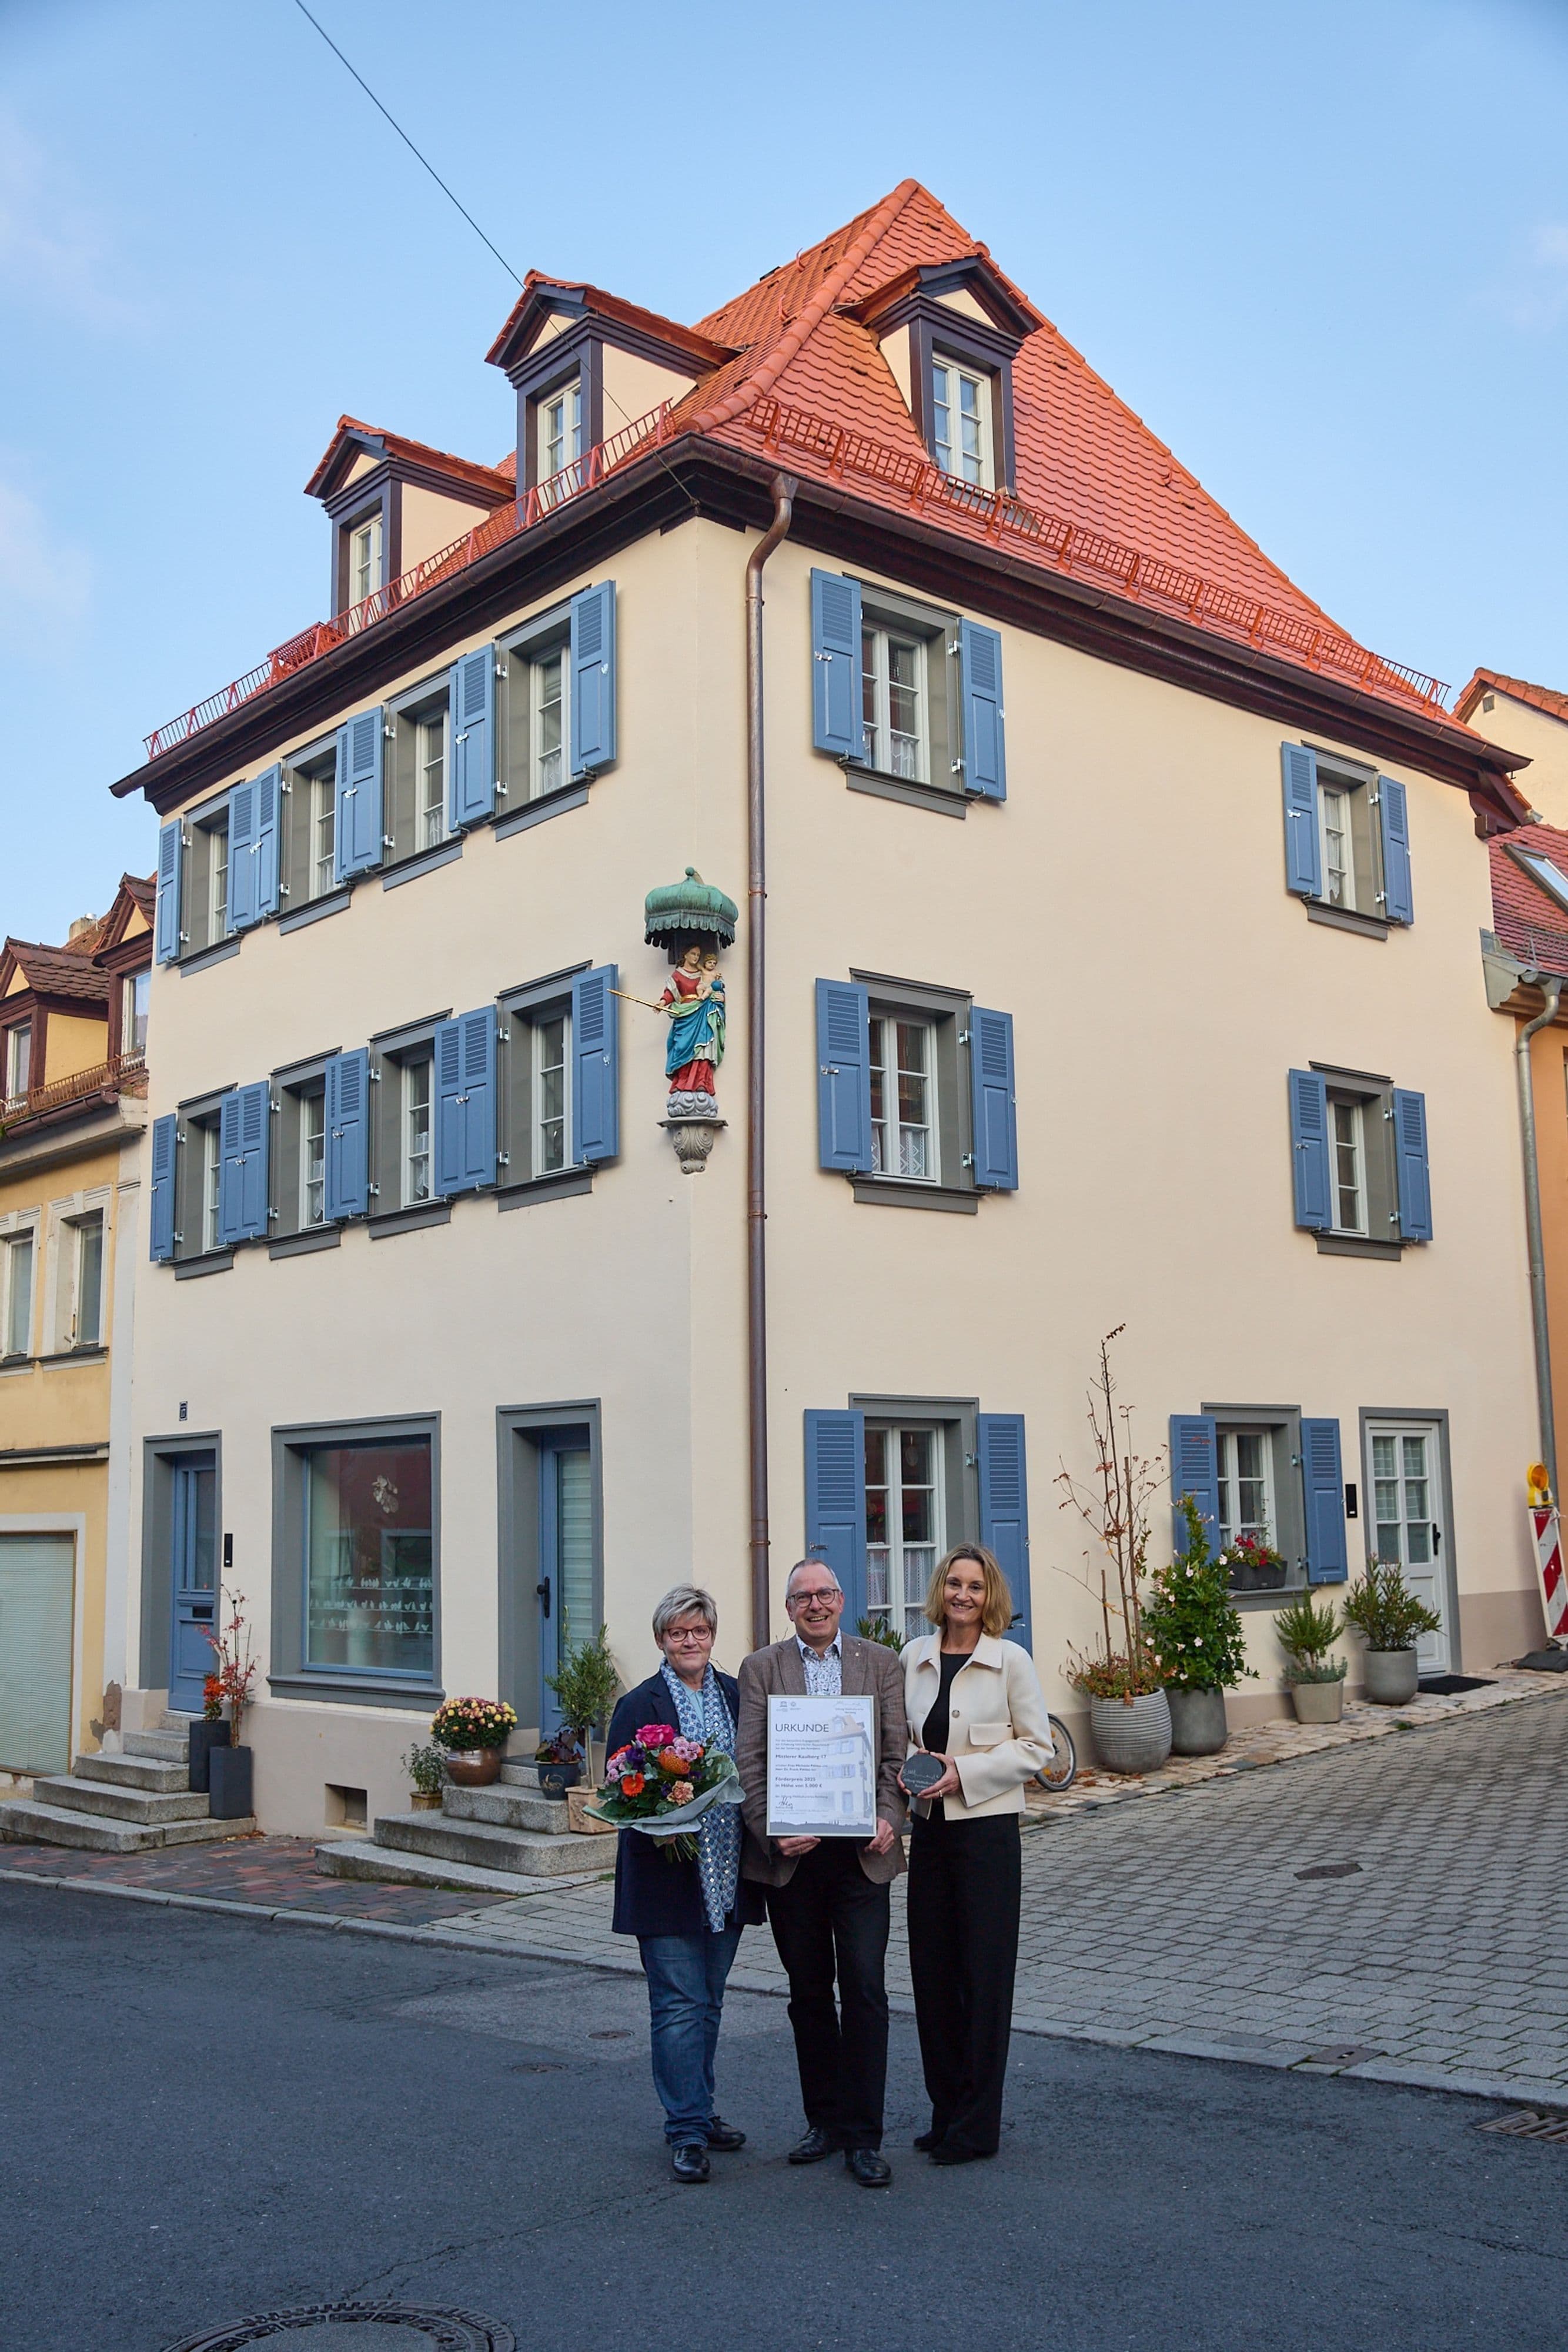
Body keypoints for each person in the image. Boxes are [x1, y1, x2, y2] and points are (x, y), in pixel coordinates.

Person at [736, 1561, 907, 2188]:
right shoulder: (762, 1668)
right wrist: (770, 1831)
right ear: (788, 1608)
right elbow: (749, 1763)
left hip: (863, 1855)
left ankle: (864, 2136)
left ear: (842, 1600)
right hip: (794, 1859)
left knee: (864, 1990)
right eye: (803, 1596)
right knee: (809, 1993)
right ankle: (825, 2120)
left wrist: (890, 1815)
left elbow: (896, 1754)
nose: (816, 1604)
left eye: (826, 1593)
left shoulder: (879, 1663)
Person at [900, 1543, 1054, 2166]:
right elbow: (900, 1739)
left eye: (976, 1586)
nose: (964, 1595)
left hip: (987, 1835)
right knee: (932, 1977)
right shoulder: (914, 1656)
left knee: (983, 1979)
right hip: (930, 1834)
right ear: (941, 1589)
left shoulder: (1011, 1660)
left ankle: (976, 2124)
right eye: (955, 1584)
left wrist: (962, 1772)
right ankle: (945, 2112)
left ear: (991, 1597)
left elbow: (1037, 1748)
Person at [607, 1583, 764, 2184]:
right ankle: (687, 2131)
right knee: (678, 2004)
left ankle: (699, 2107)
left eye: (699, 1631)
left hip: (726, 1873)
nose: (690, 1641)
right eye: (678, 1633)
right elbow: (619, 1788)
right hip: (667, 1877)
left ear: (712, 1636)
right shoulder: (639, 1704)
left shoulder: (735, 1694)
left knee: (710, 2000)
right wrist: (661, 1815)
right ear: (661, 1641)